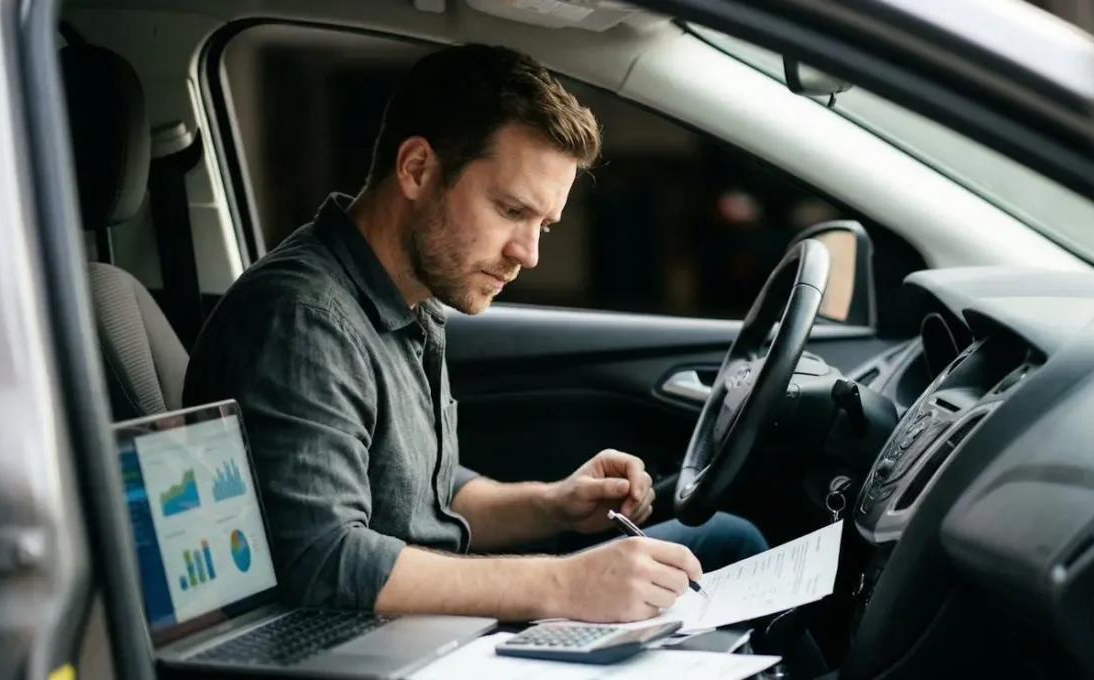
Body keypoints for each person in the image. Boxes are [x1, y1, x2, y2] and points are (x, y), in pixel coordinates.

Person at [183, 43, 768, 624]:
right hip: (369, 635)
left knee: (726, 540)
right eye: (511, 210)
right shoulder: (303, 320)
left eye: (543, 222)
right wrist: (563, 583)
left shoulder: (410, 293)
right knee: (726, 546)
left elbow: (426, 498)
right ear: (417, 169)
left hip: (420, 622)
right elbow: (321, 560)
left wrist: (554, 506)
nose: (529, 254)